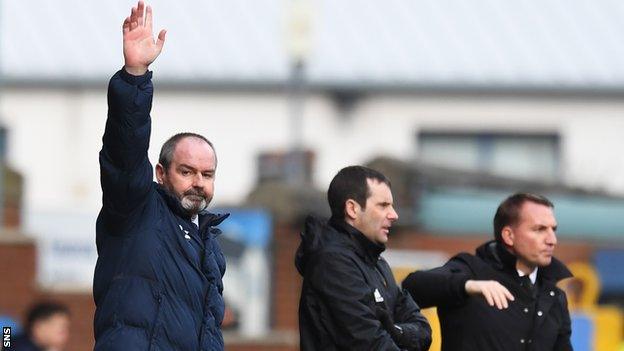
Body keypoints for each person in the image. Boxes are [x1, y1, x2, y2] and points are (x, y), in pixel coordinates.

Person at [93, 2, 228, 350]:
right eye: (187, 171)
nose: (198, 182)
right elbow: (125, 148)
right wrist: (135, 76)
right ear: (161, 173)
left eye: (207, 174)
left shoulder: (209, 245)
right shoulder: (135, 206)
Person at [402, 193, 573, 351]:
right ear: (509, 236)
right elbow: (412, 287)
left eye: (553, 229)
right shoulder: (471, 269)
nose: (552, 240)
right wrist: (467, 286)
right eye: (540, 229)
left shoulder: (554, 297)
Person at [296, 166, 432, 351]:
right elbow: (370, 343)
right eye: (383, 205)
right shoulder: (332, 263)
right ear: (352, 209)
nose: (394, 215)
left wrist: (394, 331)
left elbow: (423, 330)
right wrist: (396, 334)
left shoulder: (377, 263)